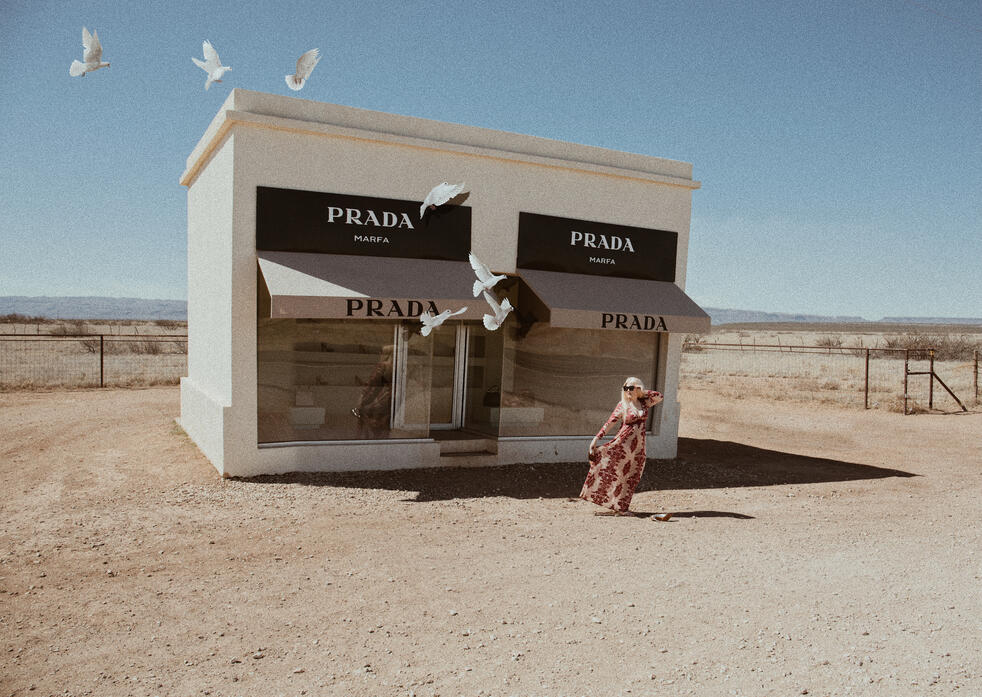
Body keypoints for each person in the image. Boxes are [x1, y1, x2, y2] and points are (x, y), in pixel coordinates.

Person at [579, 377, 666, 517]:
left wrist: (641, 390)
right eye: (626, 388)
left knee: (632, 476)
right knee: (615, 473)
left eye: (631, 388)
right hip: (622, 445)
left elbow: (659, 396)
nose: (628, 391)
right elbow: (610, 423)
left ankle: (621, 507)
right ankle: (610, 503)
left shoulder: (645, 403)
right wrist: (596, 438)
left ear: (638, 389)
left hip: (638, 447)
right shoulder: (623, 405)